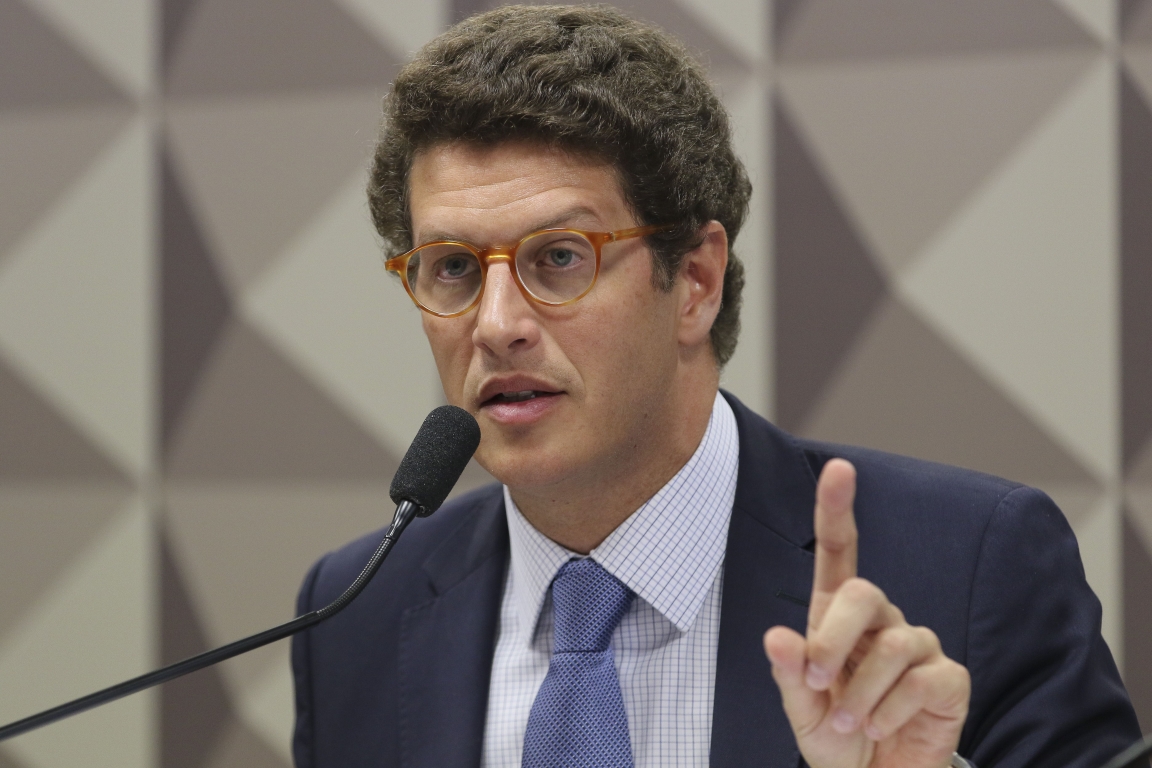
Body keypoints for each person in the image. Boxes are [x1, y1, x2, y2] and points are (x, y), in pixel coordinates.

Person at [290, 6, 1141, 767]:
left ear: (695, 282)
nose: (495, 323)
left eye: (560, 257)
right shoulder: (352, 613)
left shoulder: (970, 568)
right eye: (452, 267)